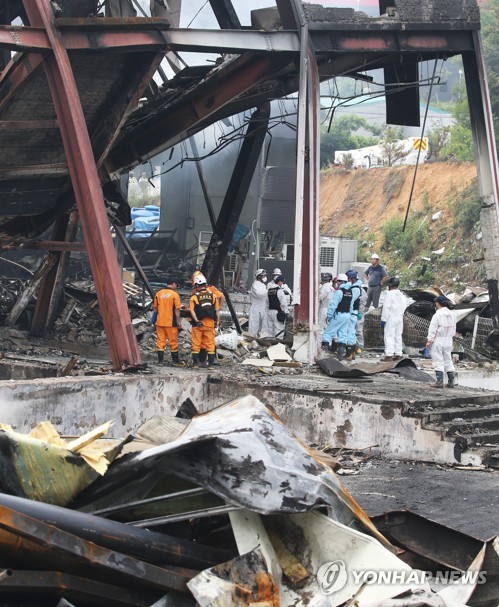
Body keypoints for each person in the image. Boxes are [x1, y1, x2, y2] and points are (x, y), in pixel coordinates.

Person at [189, 275, 220, 369]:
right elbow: (217, 310)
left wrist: (197, 321)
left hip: (198, 324)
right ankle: (210, 365)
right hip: (210, 324)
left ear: (197, 285)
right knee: (210, 344)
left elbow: (192, 310)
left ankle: (195, 364)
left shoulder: (194, 297)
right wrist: (217, 322)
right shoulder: (213, 296)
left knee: (196, 344)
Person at [152, 277, 185, 366]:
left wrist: (153, 320)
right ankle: (175, 361)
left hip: (159, 322)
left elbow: (155, 309)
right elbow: (177, 310)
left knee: (160, 341)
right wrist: (178, 321)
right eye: (176, 284)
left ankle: (160, 361)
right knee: (173, 342)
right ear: (173, 283)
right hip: (171, 323)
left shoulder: (158, 294)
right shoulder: (175, 295)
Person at [426, 295, 457, 388]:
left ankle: (439, 382)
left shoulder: (437, 315)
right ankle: (451, 382)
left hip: (439, 339)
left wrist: (429, 340)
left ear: (438, 304)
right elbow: (454, 329)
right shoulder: (452, 314)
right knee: (448, 360)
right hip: (448, 339)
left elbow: (433, 329)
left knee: (438, 360)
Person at [321, 273, 351, 360]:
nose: (337, 283)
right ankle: (340, 356)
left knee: (327, 334)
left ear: (340, 282)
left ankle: (324, 356)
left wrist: (329, 315)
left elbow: (333, 305)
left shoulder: (339, 292)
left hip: (338, 315)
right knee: (342, 335)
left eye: (338, 281)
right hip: (347, 315)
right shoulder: (350, 292)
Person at [380, 277, 408, 361]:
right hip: (400, 317)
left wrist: (383, 320)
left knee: (389, 335)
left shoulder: (389, 294)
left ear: (390, 285)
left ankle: (389, 355)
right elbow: (405, 306)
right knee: (398, 336)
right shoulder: (402, 295)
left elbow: (386, 307)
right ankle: (398, 353)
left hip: (391, 317)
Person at [345, 270, 363, 360]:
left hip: (351, 313)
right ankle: (351, 354)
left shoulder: (355, 289)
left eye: (348, 279)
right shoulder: (355, 287)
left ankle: (349, 354)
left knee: (349, 332)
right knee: (351, 332)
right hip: (353, 312)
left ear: (351, 279)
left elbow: (351, 302)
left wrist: (347, 311)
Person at [249, 268, 268, 337]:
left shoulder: (263, 285)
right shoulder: (255, 285)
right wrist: (268, 291)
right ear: (259, 276)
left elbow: (265, 297)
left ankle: (261, 341)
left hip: (263, 308)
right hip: (256, 309)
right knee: (254, 327)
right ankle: (252, 340)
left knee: (263, 327)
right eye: (263, 275)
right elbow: (259, 294)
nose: (265, 277)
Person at [356, 285, 368, 355]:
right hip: (352, 313)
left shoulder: (361, 291)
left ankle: (360, 346)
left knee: (358, 330)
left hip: (358, 313)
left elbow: (362, 303)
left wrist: (360, 312)